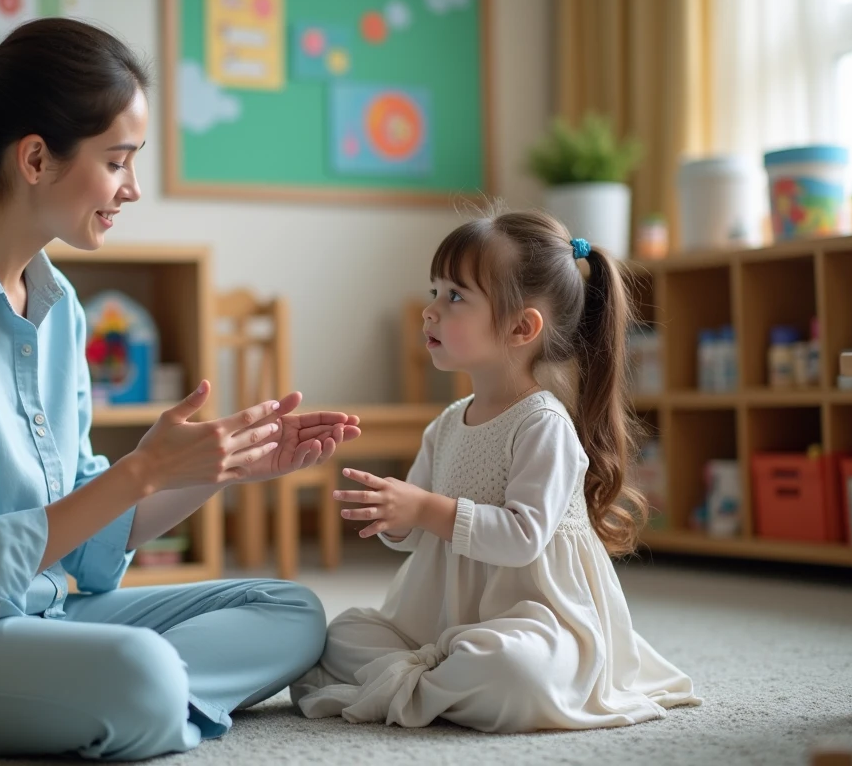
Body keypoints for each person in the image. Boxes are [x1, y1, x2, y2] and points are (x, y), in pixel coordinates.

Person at [0, 18, 360, 760]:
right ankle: (130, 703)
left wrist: (215, 469)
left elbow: (82, 547)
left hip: (33, 616)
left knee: (290, 610)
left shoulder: (57, 305)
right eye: (118, 160)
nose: (133, 188)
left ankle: (118, 706)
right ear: (35, 158)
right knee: (141, 672)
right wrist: (143, 470)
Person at [291, 208, 699, 732]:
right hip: (437, 621)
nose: (430, 311)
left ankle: (423, 680)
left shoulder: (543, 424)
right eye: (433, 291)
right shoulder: (445, 424)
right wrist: (395, 518)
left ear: (521, 327)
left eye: (454, 297)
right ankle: (437, 676)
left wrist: (423, 508)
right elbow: (417, 536)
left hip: (531, 619)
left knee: (516, 670)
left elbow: (521, 538)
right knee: (340, 632)